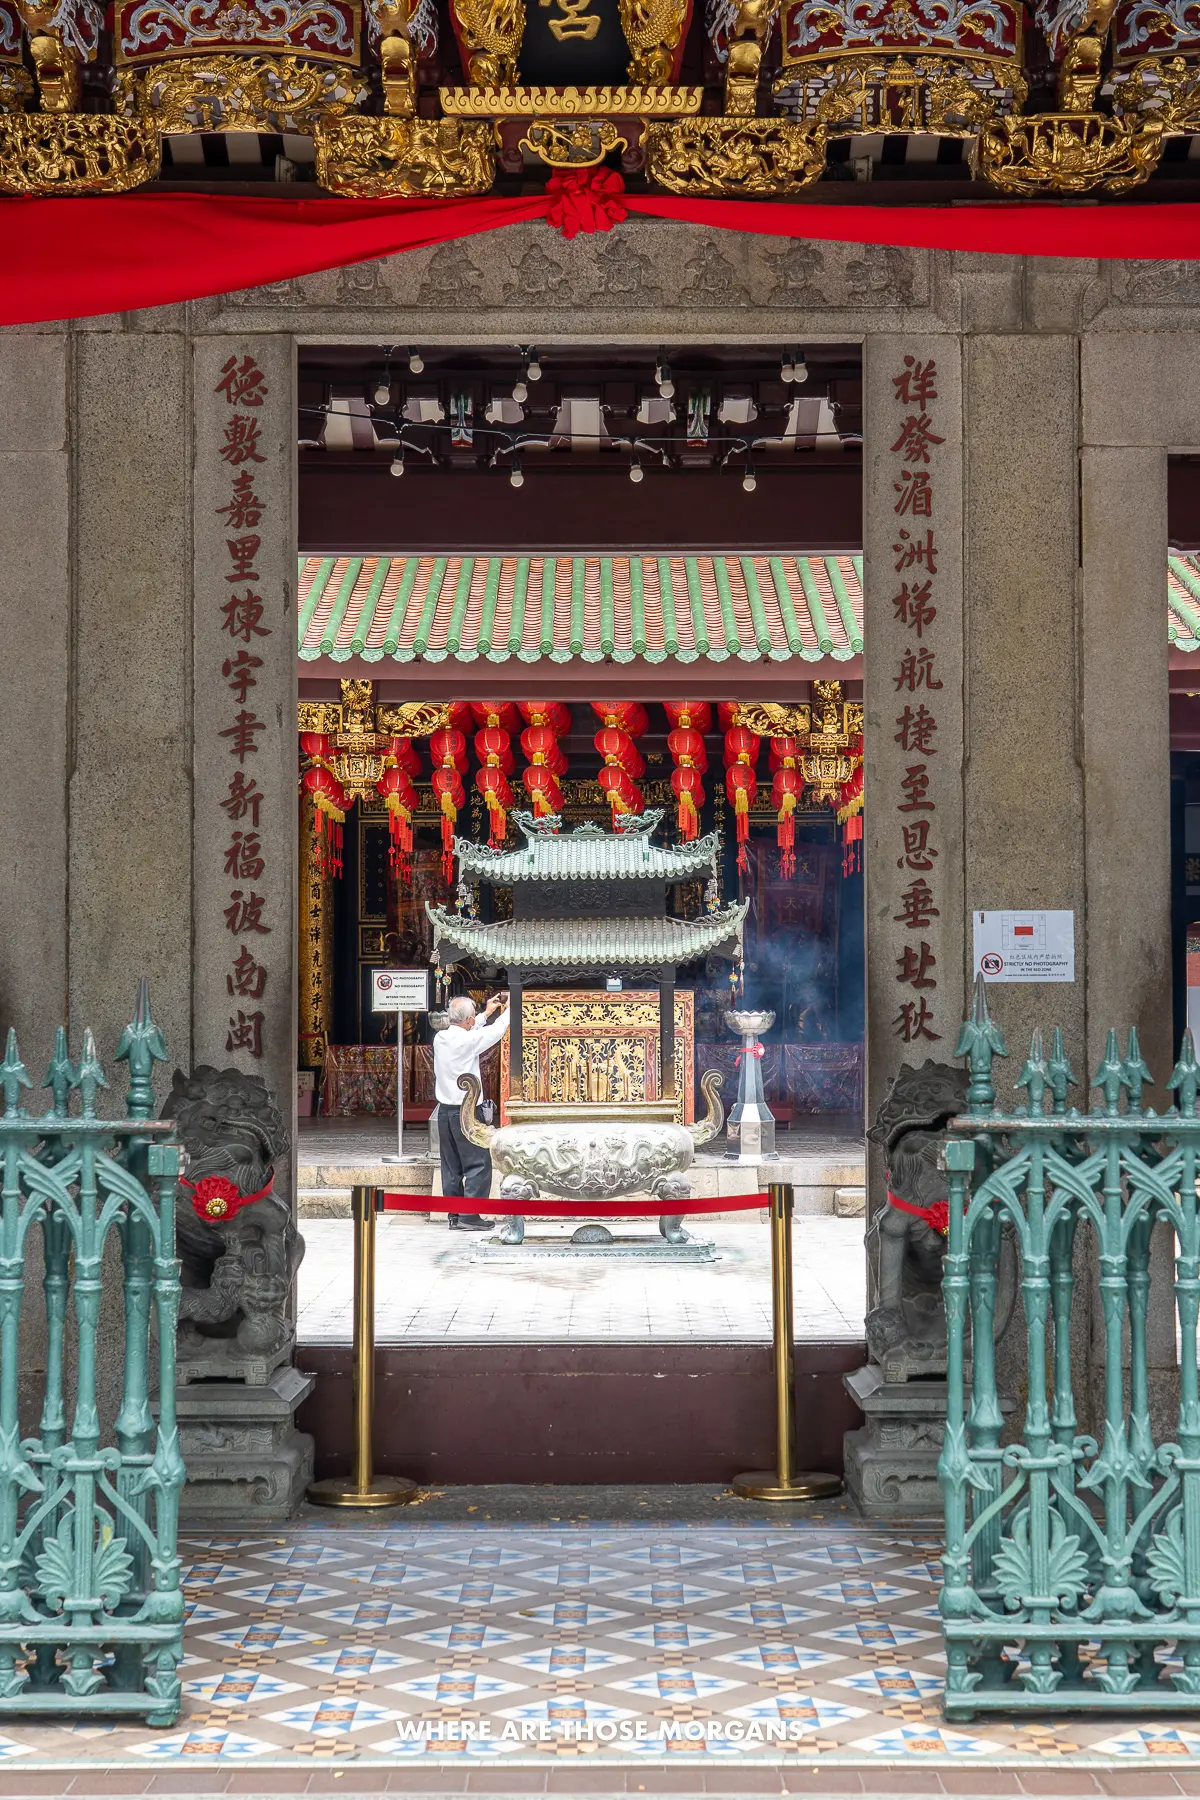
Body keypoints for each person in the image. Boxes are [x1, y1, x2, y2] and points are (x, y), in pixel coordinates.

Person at [434, 991, 510, 1231]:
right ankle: (470, 1215)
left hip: (444, 1112)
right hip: (465, 1112)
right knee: (478, 1163)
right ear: (467, 1020)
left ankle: (455, 1215)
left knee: (451, 1165)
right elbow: (495, 1032)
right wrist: (510, 1009)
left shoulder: (441, 1038)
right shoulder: (467, 1042)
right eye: (473, 1017)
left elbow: (471, 1031)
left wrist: (486, 1013)